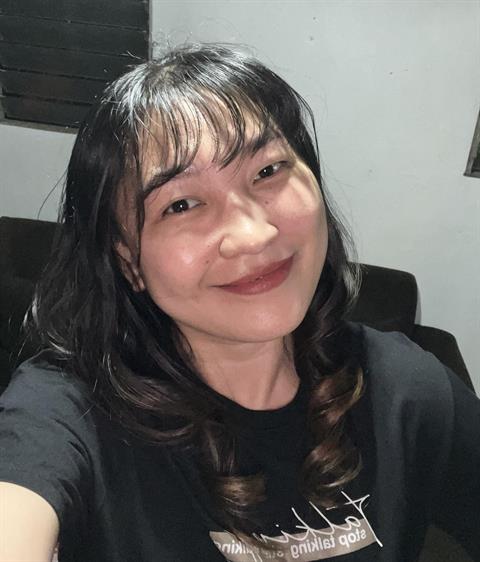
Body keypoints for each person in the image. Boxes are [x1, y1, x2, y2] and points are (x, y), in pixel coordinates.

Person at [0, 44, 478, 562]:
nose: (253, 234)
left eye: (268, 171)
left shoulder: (407, 392)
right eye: (181, 204)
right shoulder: (71, 410)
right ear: (129, 262)